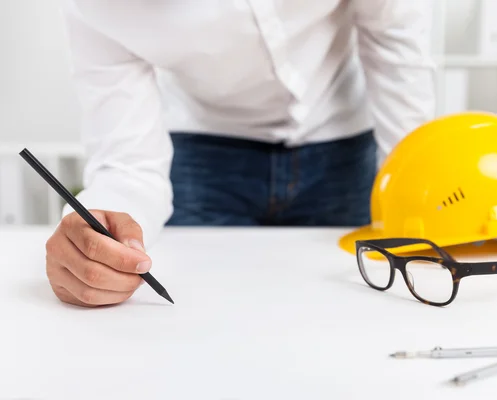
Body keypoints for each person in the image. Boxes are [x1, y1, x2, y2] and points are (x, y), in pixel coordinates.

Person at [45, 0, 436, 307]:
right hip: (202, 156)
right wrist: (99, 233)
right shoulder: (94, 7)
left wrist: (423, 188)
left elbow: (394, 37)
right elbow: (126, 164)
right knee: (206, 317)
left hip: (341, 143)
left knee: (364, 303)